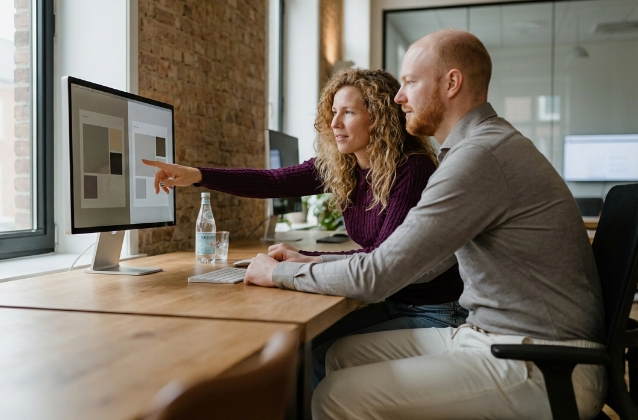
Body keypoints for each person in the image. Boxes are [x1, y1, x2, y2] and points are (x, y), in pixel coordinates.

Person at [245, 28, 606, 419]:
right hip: (488, 336)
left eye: (410, 83)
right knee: (337, 355)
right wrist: (308, 262)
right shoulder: (474, 149)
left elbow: (379, 276)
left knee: (335, 396)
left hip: (543, 362)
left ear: (452, 83)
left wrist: (279, 275)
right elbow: (413, 260)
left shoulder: (479, 157)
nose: (398, 98)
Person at [142, 68, 466, 387]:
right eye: (333, 112)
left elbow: (380, 262)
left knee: (318, 352)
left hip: (435, 311)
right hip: (396, 302)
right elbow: (272, 180)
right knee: (306, 343)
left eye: (348, 112)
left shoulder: (411, 169)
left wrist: (305, 260)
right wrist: (197, 175)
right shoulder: (347, 166)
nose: (335, 123)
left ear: (379, 118)